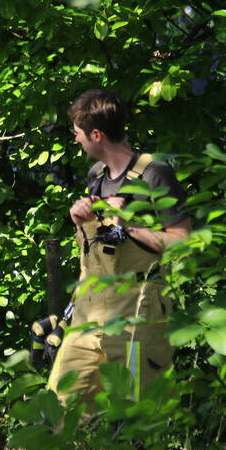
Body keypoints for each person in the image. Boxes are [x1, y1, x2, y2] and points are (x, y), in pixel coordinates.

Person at [48, 89, 190, 403]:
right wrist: (79, 217)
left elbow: (183, 242)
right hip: (90, 308)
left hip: (137, 308)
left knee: (137, 413)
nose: (76, 140)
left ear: (96, 135)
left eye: (78, 134)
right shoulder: (96, 175)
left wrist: (128, 224)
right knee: (61, 403)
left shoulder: (155, 173)